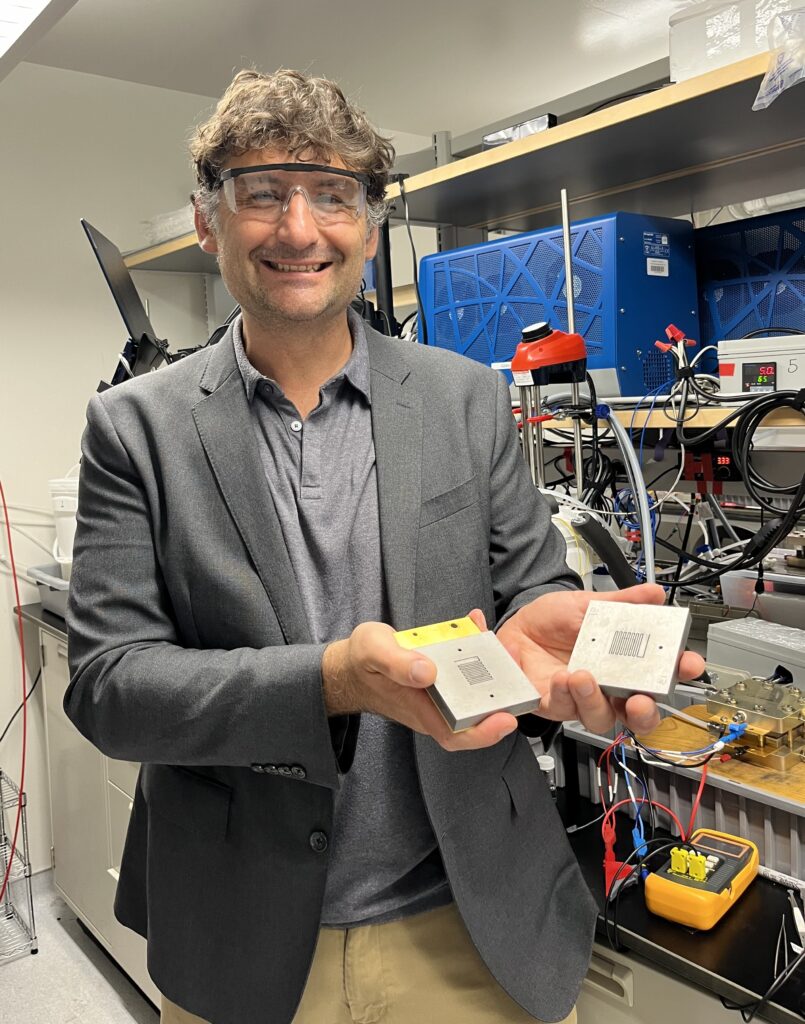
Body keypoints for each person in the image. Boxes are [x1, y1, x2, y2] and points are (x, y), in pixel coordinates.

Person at [65, 68, 704, 1024]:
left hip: (473, 917)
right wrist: (329, 681)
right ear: (209, 222)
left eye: (332, 195)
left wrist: (545, 623)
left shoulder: (464, 398)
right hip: (246, 934)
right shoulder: (134, 429)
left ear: (368, 226)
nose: (298, 228)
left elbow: (524, 593)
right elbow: (109, 687)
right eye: (261, 193)